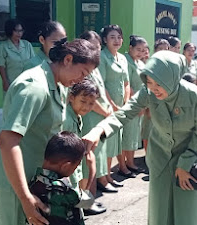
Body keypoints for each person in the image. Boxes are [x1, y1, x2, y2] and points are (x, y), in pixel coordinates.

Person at [83, 51, 197, 225]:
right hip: (161, 155)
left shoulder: (196, 97)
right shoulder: (148, 92)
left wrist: (184, 164)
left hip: (191, 155)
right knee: (160, 207)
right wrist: (99, 130)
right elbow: (124, 114)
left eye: (158, 83)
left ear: (172, 78)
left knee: (187, 209)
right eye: (149, 82)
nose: (153, 88)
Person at [0, 38, 100, 225]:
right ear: (68, 59)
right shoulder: (35, 86)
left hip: (39, 182)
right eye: (83, 73)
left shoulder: (59, 84)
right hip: (19, 182)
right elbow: (7, 141)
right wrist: (24, 197)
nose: (81, 80)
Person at [78, 30, 112, 213]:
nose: (97, 50)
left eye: (98, 47)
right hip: (90, 117)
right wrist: (106, 112)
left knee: (94, 161)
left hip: (99, 119)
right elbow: (89, 98)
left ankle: (89, 200)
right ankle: (86, 204)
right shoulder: (82, 68)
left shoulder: (95, 67)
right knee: (87, 163)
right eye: (93, 46)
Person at [28, 131, 94, 225]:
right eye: (76, 166)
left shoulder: (34, 181)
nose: (74, 170)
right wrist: (92, 170)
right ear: (66, 166)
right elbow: (88, 203)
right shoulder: (64, 188)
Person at [99, 24, 135, 184]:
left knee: (116, 141)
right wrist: (112, 105)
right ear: (105, 40)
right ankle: (104, 177)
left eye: (119, 37)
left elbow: (126, 82)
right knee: (107, 142)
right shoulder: (102, 57)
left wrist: (126, 102)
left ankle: (108, 175)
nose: (117, 40)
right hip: (106, 106)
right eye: (112, 37)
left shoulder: (122, 58)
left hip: (121, 107)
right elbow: (101, 85)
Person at [63, 79, 99, 214]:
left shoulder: (76, 116)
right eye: (83, 101)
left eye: (91, 103)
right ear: (71, 97)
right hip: (67, 174)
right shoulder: (66, 120)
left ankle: (85, 204)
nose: (87, 107)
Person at [122, 35, 148, 173]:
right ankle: (126, 164)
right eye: (138, 49)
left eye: (143, 50)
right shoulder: (125, 61)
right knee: (127, 134)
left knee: (133, 135)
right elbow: (127, 85)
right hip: (129, 103)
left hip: (139, 103)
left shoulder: (141, 63)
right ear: (130, 48)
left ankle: (130, 162)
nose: (140, 52)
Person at [0, 19, 35, 92]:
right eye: (16, 31)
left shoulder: (27, 45)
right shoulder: (3, 47)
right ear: (10, 31)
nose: (19, 33)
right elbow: (1, 66)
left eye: (21, 31)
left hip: (27, 82)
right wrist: (5, 82)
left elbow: (33, 63)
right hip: (12, 82)